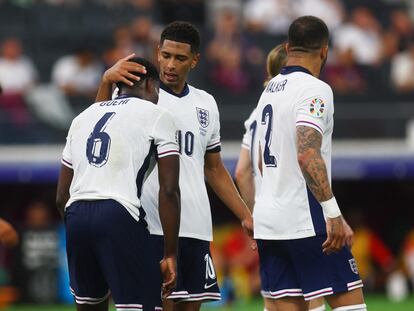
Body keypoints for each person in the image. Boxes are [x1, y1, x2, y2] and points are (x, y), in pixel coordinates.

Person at [95, 21, 253, 311]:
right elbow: (98, 125)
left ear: (195, 60)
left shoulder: (206, 103)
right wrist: (106, 82)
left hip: (195, 226)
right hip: (150, 225)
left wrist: (246, 215)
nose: (170, 64)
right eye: (166, 55)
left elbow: (214, 168)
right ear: (157, 52)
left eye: (180, 58)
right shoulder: (138, 94)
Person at [253, 16, 366, 311]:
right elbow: (307, 153)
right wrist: (333, 213)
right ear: (325, 51)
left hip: (268, 221)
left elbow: (261, 164)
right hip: (304, 219)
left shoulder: (269, 90)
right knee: (351, 306)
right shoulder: (315, 89)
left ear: (288, 47)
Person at [56, 57, 180, 311]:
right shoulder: (157, 114)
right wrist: (170, 253)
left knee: (90, 306)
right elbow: (169, 190)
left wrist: (83, 228)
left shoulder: (83, 117)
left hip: (76, 215)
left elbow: (61, 196)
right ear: (150, 86)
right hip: (119, 213)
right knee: (139, 306)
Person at [235, 44, 327, 311]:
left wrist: (253, 216)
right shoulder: (296, 106)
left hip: (266, 219)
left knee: (274, 300)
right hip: (297, 215)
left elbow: (242, 172)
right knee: (314, 296)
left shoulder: (256, 116)